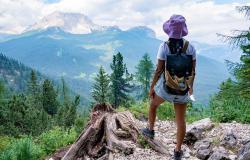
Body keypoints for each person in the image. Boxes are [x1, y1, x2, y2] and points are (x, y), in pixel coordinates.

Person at [140, 15, 196, 160]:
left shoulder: (164, 46)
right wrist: (190, 88)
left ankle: (150, 130)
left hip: (166, 89)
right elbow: (192, 71)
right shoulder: (190, 47)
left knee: (153, 105)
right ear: (183, 31)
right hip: (182, 89)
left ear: (169, 31)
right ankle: (177, 152)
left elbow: (159, 70)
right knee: (181, 121)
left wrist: (152, 87)